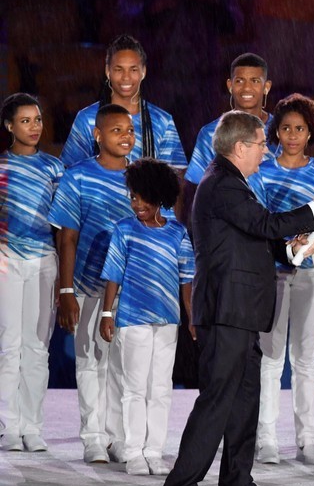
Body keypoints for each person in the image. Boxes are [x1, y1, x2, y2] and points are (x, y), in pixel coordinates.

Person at [160, 111, 314, 486]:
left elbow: (253, 235)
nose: (267, 150)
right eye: (262, 144)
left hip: (242, 312)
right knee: (218, 399)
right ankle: (181, 483)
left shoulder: (233, 183)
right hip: (226, 310)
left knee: (245, 401)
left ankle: (238, 484)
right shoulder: (222, 183)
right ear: (240, 146)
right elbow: (264, 224)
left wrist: (290, 249)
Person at [47, 104, 136, 463]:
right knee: (89, 359)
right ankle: (93, 438)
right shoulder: (78, 177)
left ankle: (117, 437)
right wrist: (66, 291)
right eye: (116, 130)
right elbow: (67, 237)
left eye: (130, 130)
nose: (126, 137)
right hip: (86, 283)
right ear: (97, 135)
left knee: (121, 364)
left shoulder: (141, 176)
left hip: (129, 289)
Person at [255, 94, 314, 466]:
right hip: (271, 273)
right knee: (271, 358)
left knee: (305, 359)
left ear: (311, 133)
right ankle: (266, 439)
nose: (292, 135)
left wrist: (311, 244)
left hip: (309, 272)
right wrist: (284, 246)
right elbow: (259, 219)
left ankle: (307, 441)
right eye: (286, 128)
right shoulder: (262, 170)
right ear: (276, 131)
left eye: (300, 129)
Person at [116, 0, 243, 149]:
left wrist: (213, 5)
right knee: (157, 143)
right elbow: (123, 11)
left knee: (198, 145)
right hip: (160, 73)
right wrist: (152, 9)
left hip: (202, 76)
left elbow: (236, 19)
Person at [98, 159, 194, 477]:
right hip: (133, 319)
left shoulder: (178, 233)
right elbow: (113, 275)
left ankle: (154, 450)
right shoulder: (124, 230)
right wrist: (107, 313)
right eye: (133, 197)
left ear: (160, 196)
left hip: (167, 320)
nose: (137, 204)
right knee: (135, 388)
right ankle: (134, 451)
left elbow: (187, 280)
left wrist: (191, 317)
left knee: (161, 388)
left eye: (143, 198)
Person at [0, 94, 63, 452]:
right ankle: (8, 426)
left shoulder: (55, 169)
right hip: (6, 259)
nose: (34, 127)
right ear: (9, 126)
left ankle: (32, 426)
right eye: (25, 121)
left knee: (37, 347)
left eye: (37, 119)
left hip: (43, 262)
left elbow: (64, 224)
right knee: (9, 344)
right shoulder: (1, 168)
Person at [61, 35, 187, 173]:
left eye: (133, 69)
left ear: (143, 72)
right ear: (108, 71)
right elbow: (68, 173)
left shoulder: (162, 121)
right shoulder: (87, 119)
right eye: (118, 69)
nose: (126, 77)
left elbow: (176, 176)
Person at [186, 53, 275, 202]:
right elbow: (197, 190)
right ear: (230, 86)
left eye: (255, 81)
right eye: (240, 81)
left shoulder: (282, 131)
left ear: (266, 87)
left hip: (280, 216)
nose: (247, 88)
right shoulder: (210, 133)